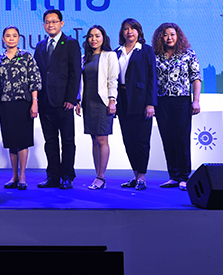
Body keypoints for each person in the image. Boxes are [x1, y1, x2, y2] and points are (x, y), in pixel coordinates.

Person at [34, 9, 82, 189]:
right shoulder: (40, 46)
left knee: (67, 141)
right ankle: (53, 176)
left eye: (54, 21)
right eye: (47, 22)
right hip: (45, 101)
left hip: (64, 102)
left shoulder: (71, 44)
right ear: (43, 25)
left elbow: (75, 73)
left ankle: (67, 176)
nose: (51, 25)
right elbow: (37, 75)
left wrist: (72, 98)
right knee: (50, 141)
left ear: (61, 23)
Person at [0, 26, 41, 190]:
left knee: (23, 141)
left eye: (14, 36)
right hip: (5, 104)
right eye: (8, 36)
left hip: (23, 103)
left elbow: (35, 80)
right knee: (11, 141)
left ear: (19, 38)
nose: (11, 38)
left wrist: (35, 102)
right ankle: (14, 175)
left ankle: (23, 175)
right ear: (3, 39)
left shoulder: (26, 57)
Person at [152, 22, 201, 191]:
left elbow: (196, 78)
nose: (169, 38)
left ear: (178, 36)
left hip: (182, 101)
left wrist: (196, 100)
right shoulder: (155, 55)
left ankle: (184, 177)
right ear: (160, 37)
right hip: (162, 102)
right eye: (165, 35)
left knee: (182, 138)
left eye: (172, 34)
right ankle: (173, 176)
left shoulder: (188, 53)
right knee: (167, 139)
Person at [75, 25, 119, 190]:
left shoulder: (109, 55)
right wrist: (78, 101)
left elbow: (113, 79)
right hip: (88, 102)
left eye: (97, 36)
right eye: (91, 36)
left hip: (103, 102)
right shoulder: (84, 58)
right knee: (94, 139)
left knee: (102, 139)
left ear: (103, 38)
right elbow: (81, 82)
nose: (94, 39)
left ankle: (101, 177)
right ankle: (97, 175)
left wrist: (112, 100)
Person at [115, 18, 157, 191]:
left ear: (139, 32)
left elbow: (152, 78)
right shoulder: (116, 52)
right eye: (126, 29)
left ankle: (142, 176)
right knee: (129, 140)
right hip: (122, 101)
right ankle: (135, 175)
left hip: (141, 101)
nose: (129, 32)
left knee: (142, 141)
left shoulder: (146, 50)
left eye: (133, 28)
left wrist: (150, 103)